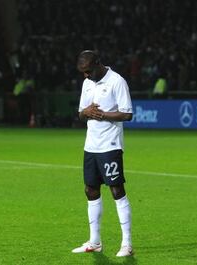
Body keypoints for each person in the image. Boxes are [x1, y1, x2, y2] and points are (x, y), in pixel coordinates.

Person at [71, 50, 134, 257]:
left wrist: (102, 114)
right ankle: (95, 241)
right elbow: (81, 114)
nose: (85, 76)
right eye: (83, 72)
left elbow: (127, 113)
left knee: (116, 190)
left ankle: (126, 243)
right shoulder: (87, 83)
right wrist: (85, 113)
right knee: (90, 190)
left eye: (88, 71)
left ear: (98, 64)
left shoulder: (117, 81)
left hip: (110, 144)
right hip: (91, 145)